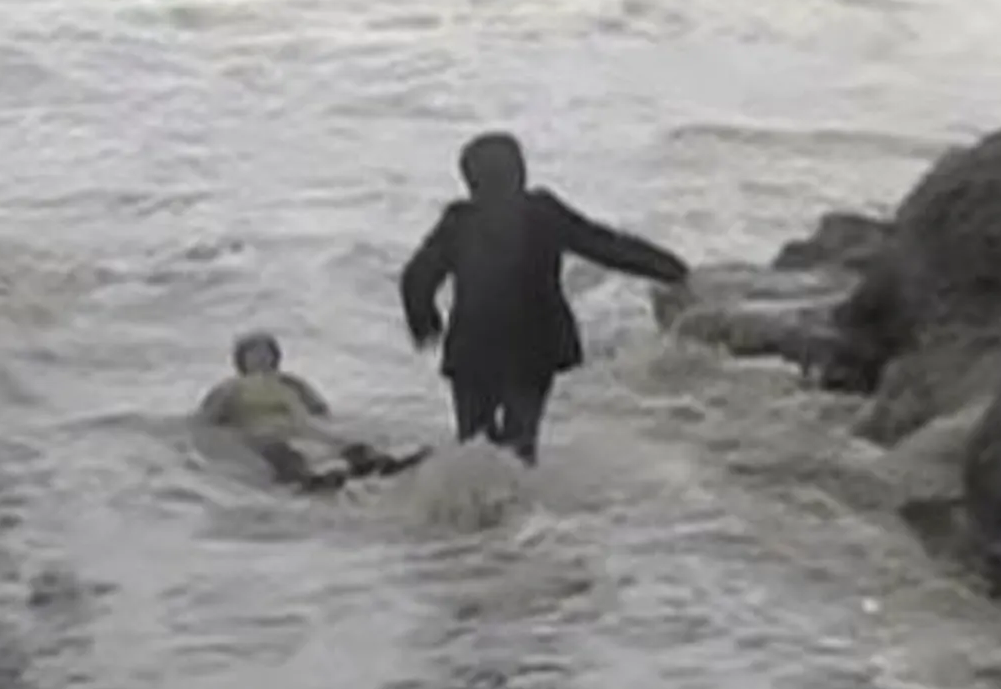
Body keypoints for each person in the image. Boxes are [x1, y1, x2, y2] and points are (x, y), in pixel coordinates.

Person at [398, 131, 692, 465]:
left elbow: (416, 277)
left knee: (473, 442)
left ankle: (474, 505)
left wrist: (424, 320)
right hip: (533, 347)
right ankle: (514, 502)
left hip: (473, 349)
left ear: (470, 182)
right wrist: (669, 268)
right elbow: (603, 245)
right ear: (520, 174)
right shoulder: (541, 213)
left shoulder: (459, 222)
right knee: (522, 444)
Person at [196, 330, 427, 492]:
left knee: (339, 442)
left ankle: (375, 461)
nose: (261, 358)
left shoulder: (290, 382)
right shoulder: (230, 387)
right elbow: (207, 419)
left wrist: (324, 421)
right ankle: (306, 478)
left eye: (266, 352)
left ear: (275, 357)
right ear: (242, 360)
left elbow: (321, 409)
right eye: (254, 353)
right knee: (281, 452)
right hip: (260, 428)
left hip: (300, 425)